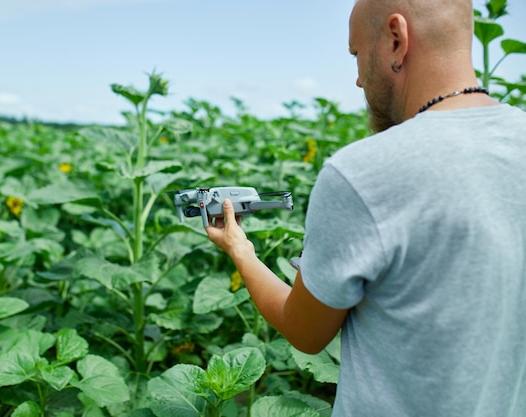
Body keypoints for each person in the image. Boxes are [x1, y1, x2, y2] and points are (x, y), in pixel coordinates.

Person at [205, 0, 526, 415]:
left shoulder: (363, 174)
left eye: (357, 54)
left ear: (396, 39)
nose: (357, 79)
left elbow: (305, 331)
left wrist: (240, 250)